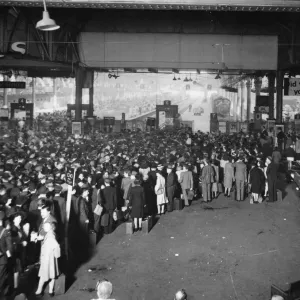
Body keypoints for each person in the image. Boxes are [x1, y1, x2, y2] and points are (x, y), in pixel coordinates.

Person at [35, 221, 61, 296]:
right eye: (44, 226)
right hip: (51, 259)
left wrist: (56, 254)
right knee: (52, 275)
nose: (44, 228)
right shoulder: (51, 233)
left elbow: (56, 245)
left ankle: (39, 291)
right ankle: (50, 291)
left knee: (43, 276)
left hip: (47, 259)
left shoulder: (50, 235)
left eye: (46, 226)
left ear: (50, 227)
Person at [0, 210, 12, 298]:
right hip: (2, 260)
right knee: (2, 279)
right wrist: (9, 256)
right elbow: (9, 246)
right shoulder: (5, 231)